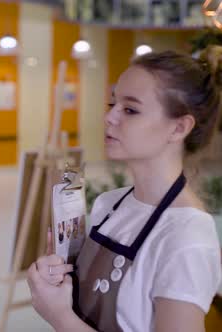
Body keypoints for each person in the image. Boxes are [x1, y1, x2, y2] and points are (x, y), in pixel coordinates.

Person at [26, 48, 222, 332]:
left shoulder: (186, 237)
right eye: (112, 104)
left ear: (179, 127)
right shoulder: (109, 205)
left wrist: (60, 317)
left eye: (130, 109)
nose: (109, 118)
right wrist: (56, 281)